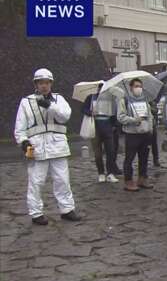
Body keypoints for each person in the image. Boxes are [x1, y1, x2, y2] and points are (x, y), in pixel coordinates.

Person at [14, 68, 81, 225]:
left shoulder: (58, 99)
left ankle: (67, 210)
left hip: (58, 146)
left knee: (62, 180)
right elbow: (20, 127)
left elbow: (65, 116)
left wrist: (50, 105)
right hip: (37, 148)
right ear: (36, 84)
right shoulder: (26, 101)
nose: (44, 85)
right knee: (36, 182)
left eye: (46, 82)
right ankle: (36, 213)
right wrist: (23, 142)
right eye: (40, 82)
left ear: (51, 83)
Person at [117, 78, 154, 191]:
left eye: (140, 86)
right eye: (136, 86)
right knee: (129, 158)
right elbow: (120, 117)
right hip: (132, 134)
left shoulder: (145, 100)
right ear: (131, 88)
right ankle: (128, 181)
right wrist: (133, 120)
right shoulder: (124, 100)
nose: (139, 88)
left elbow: (150, 115)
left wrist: (150, 129)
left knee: (144, 158)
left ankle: (142, 178)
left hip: (145, 133)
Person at [82, 85, 119, 183]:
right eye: (100, 88)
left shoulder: (110, 98)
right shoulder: (91, 97)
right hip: (95, 128)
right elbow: (84, 109)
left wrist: (114, 125)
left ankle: (110, 173)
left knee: (110, 152)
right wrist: (90, 112)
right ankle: (101, 173)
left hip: (107, 127)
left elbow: (115, 112)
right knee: (97, 153)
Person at [149, 100, 162, 167]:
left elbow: (155, 111)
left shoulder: (152, 101)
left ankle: (156, 159)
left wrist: (148, 107)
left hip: (152, 125)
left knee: (154, 144)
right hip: (143, 125)